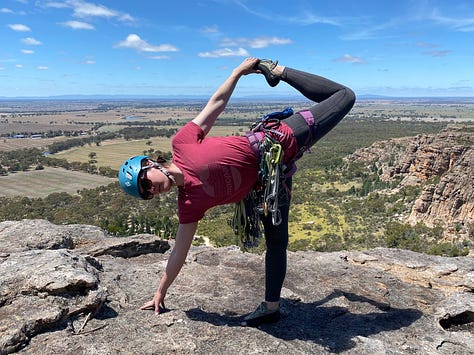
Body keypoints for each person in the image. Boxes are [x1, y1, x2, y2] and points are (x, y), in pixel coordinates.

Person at [118, 57, 355, 327]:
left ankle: (280, 72)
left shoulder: (181, 143)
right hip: (268, 187)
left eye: (145, 182)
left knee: (345, 96)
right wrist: (161, 291)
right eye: (146, 193)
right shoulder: (189, 203)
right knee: (277, 244)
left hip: (278, 140)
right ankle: (271, 307)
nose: (152, 190)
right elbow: (179, 252)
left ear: (149, 164)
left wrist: (237, 73)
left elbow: (215, 105)